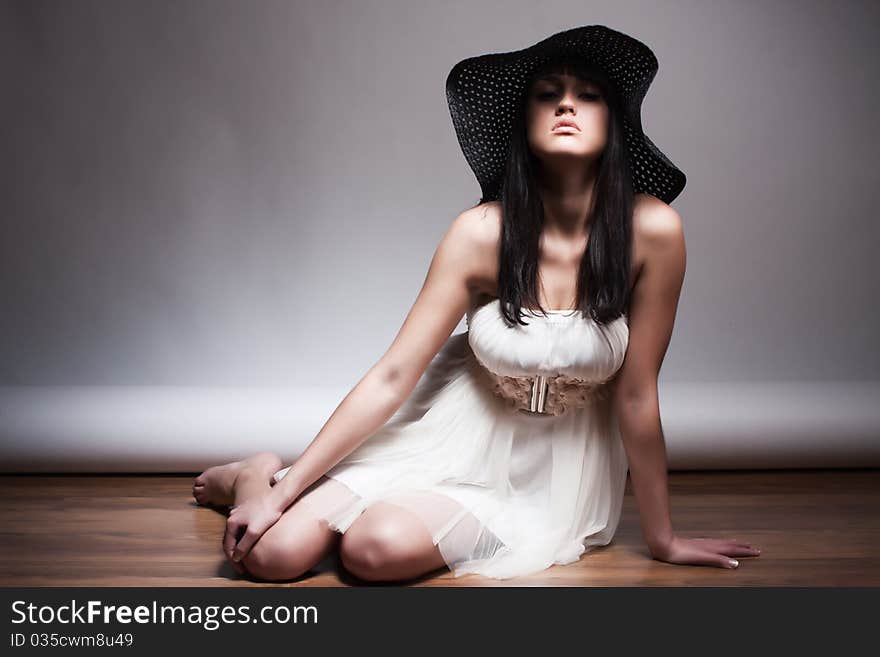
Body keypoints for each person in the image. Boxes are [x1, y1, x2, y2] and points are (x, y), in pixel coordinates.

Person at [193, 25, 761, 582]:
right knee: (272, 557)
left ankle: (284, 483)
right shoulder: (481, 233)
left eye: (588, 95)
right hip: (449, 434)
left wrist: (662, 538)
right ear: (523, 122)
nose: (567, 105)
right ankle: (261, 476)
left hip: (552, 474)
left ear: (614, 123)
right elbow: (393, 375)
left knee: (373, 550)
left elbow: (639, 395)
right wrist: (283, 497)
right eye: (548, 95)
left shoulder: (654, 230)